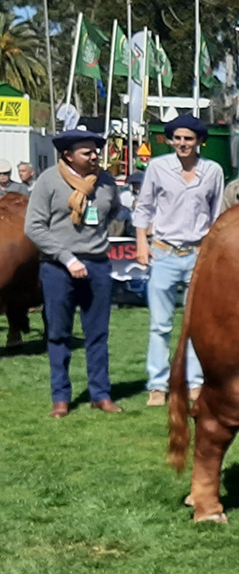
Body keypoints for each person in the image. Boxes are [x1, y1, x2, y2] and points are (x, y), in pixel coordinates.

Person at [23, 130, 123, 418]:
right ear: (68, 155)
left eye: (95, 151)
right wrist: (67, 258)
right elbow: (34, 227)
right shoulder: (48, 181)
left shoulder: (105, 182)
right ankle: (61, 397)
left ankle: (100, 394)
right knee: (58, 333)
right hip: (57, 268)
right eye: (87, 152)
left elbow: (113, 212)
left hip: (98, 265)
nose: (94, 156)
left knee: (98, 334)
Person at [133, 114, 225, 407]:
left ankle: (195, 383)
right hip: (163, 252)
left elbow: (216, 215)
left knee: (196, 324)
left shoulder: (212, 171)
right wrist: (141, 245)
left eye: (189, 138)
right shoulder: (158, 167)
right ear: (170, 140)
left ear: (200, 141)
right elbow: (143, 208)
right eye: (178, 138)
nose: (183, 144)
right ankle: (158, 386)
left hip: (198, 253)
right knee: (160, 325)